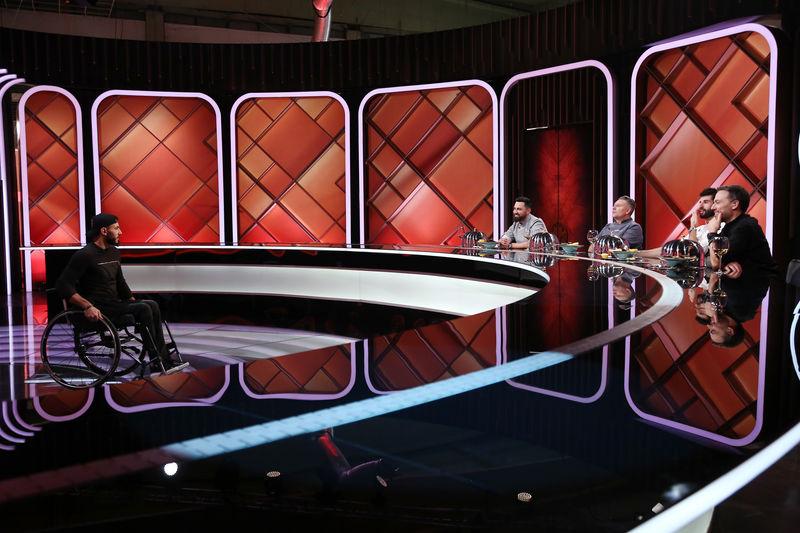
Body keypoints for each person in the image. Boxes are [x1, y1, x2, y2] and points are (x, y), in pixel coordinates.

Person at [56, 213, 188, 375]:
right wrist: (87, 306)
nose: (120, 232)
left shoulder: (113, 252)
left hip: (113, 304)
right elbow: (63, 285)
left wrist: (132, 301)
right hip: (98, 307)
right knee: (143, 308)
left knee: (151, 305)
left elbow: (120, 282)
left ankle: (163, 358)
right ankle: (156, 360)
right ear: (104, 231)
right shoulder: (85, 255)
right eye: (116, 228)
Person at [706, 185, 776, 278]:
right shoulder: (730, 226)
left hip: (760, 283)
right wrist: (723, 265)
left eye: (717, 202)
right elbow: (713, 260)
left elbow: (715, 263)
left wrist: (712, 233)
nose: (712, 207)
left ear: (734, 204)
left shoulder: (745, 227)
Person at [638, 188, 720, 259]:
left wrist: (693, 226)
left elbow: (692, 253)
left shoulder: (719, 228)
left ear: (715, 205)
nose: (700, 206)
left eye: (705, 202)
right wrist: (637, 253)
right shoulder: (700, 228)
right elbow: (673, 248)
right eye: (700, 202)